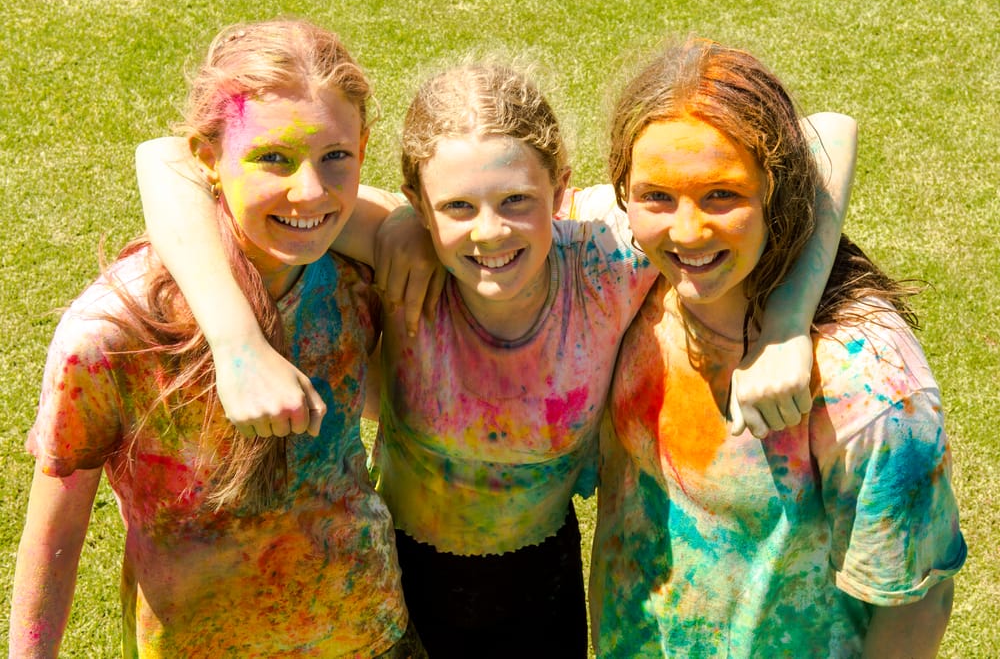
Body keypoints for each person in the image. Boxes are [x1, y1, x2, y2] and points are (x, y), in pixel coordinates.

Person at [133, 59, 856, 656]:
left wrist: (787, 324)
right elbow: (167, 160)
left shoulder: (605, 257)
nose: (489, 232)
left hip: (543, 583)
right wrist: (236, 342)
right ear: (418, 200)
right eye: (457, 207)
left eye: (515, 201)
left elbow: (828, 134)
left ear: (560, 189)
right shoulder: (397, 248)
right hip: (401, 582)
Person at [7, 19, 424, 657]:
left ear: (363, 148)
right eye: (273, 158)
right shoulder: (112, 332)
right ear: (206, 158)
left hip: (370, 634)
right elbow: (54, 533)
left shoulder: (357, 276)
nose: (310, 191)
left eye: (335, 156)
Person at [589, 38, 966, 657]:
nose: (688, 231)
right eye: (657, 196)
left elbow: (916, 605)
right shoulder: (631, 264)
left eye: (723, 195)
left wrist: (788, 325)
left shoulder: (867, 384)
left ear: (779, 190)